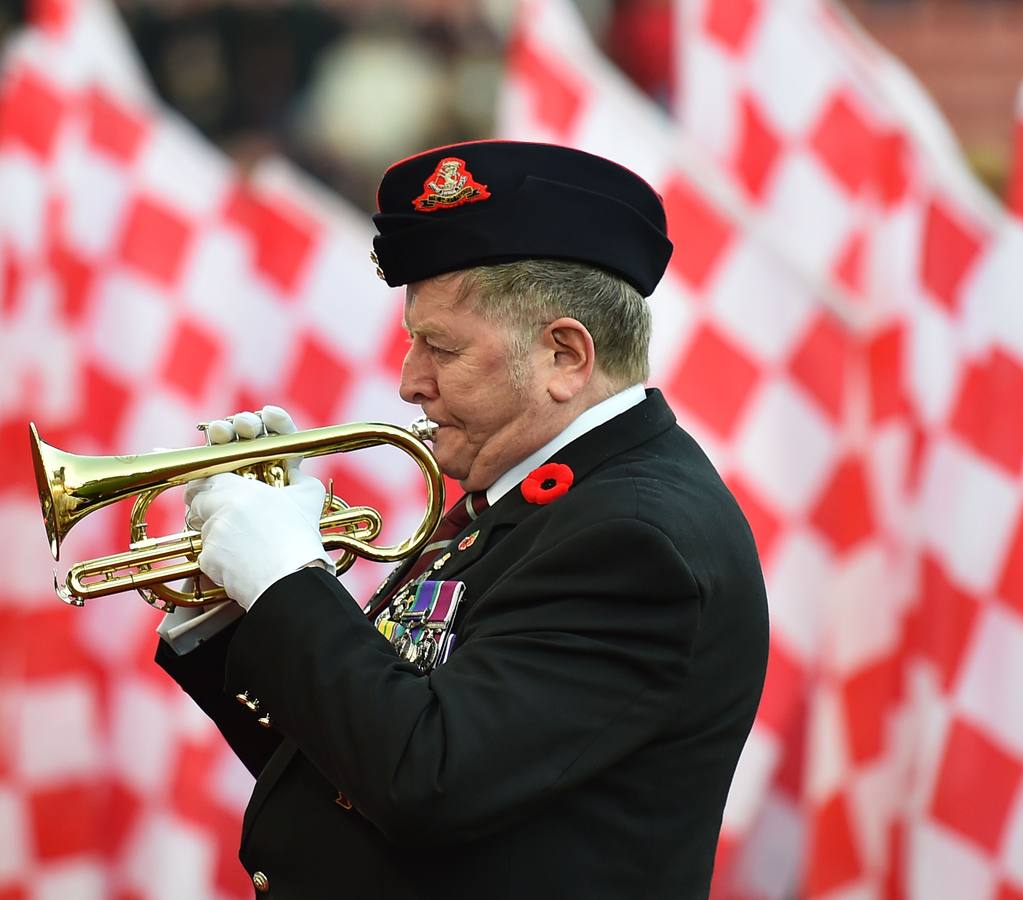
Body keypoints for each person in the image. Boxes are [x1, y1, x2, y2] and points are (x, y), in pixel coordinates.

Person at [155, 140, 769, 898]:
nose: (411, 381)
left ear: (564, 357)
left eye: (440, 347)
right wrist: (234, 603)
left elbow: (429, 776)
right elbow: (352, 766)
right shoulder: (534, 499)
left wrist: (287, 578)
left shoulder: (633, 538)